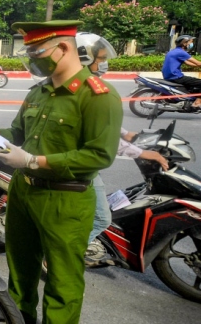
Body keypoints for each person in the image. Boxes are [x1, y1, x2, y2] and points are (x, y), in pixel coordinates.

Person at [0, 20, 122, 324]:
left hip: (65, 200)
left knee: (62, 281)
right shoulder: (38, 92)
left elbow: (99, 155)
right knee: (20, 270)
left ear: (63, 48)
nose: (31, 59)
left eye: (36, 51)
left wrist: (34, 162)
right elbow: (18, 132)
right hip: (24, 193)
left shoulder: (97, 96)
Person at [75, 33, 170, 266]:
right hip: (82, 168)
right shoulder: (88, 88)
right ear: (85, 58)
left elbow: (102, 122)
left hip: (81, 165)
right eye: (102, 58)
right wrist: (143, 153)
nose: (105, 62)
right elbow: (103, 139)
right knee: (101, 218)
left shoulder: (83, 86)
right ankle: (63, 258)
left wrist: (126, 133)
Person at [162, 34, 201, 108]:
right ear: (184, 43)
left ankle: (189, 99)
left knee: (192, 84)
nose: (192, 44)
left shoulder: (174, 51)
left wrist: (198, 66)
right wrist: (199, 65)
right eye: (190, 42)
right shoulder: (181, 52)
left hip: (169, 76)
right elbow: (198, 63)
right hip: (175, 76)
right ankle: (197, 102)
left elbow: (188, 63)